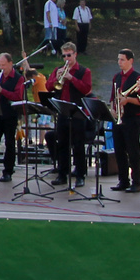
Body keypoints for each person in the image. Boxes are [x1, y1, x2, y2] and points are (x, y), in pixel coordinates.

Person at [45, 43, 92, 184]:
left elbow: (86, 89)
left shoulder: (84, 71)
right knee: (62, 144)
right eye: (64, 55)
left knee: (78, 144)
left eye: (69, 55)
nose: (66, 58)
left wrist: (72, 78)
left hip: (77, 112)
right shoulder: (58, 69)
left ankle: (80, 175)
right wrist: (56, 79)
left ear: (75, 54)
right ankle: (62, 173)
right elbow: (48, 87)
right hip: (63, 111)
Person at [0, 52, 27, 182]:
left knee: (9, 143)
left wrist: (1, 90)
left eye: (4, 65)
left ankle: (8, 171)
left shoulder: (19, 78)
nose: (1, 68)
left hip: (10, 114)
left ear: (10, 63)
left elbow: (18, 97)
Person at [110, 48, 140, 192]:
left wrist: (128, 100)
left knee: (133, 151)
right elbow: (113, 96)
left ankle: (136, 182)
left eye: (122, 59)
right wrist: (113, 108)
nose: (119, 62)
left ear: (130, 61)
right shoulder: (116, 77)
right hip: (119, 117)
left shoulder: (139, 78)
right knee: (119, 150)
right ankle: (123, 180)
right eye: (118, 59)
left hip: (132, 119)